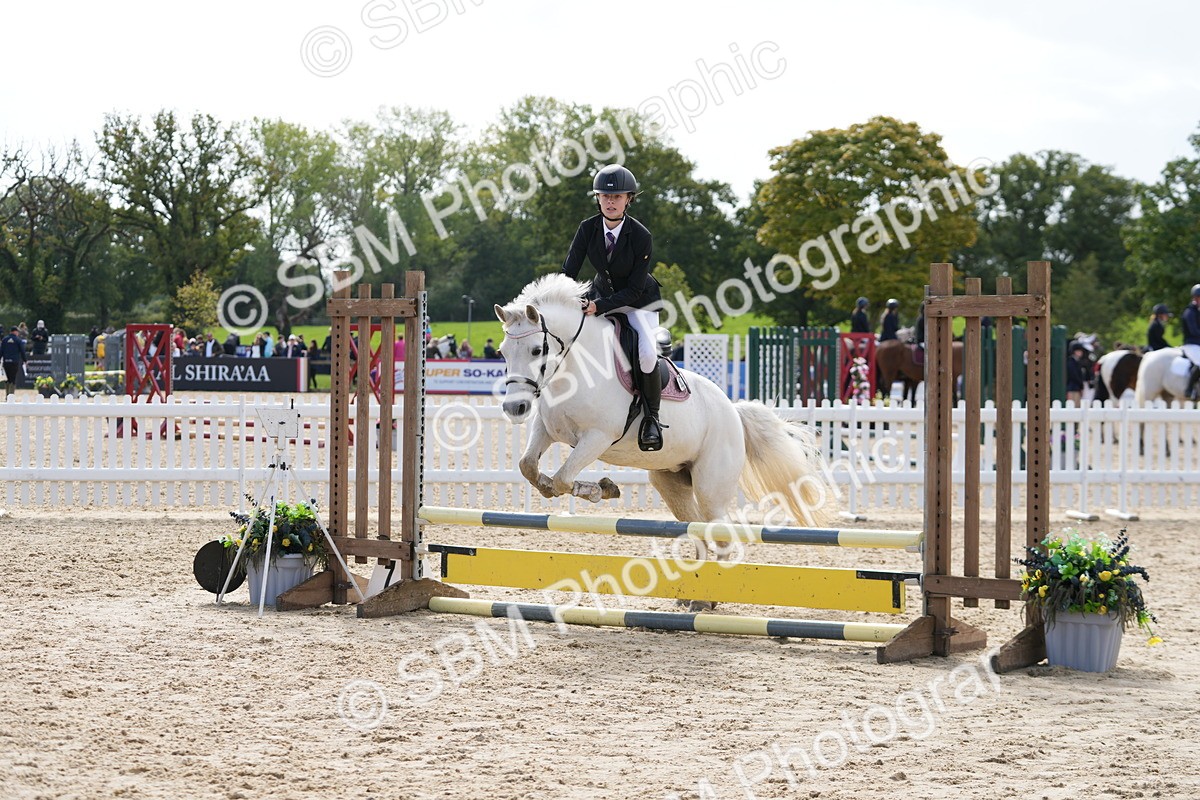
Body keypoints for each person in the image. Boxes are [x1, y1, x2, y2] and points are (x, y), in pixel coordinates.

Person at [562, 164, 664, 451]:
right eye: (605, 196)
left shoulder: (641, 236)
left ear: (628, 199)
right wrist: (563, 297)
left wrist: (597, 306)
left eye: (617, 197)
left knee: (645, 355)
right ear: (597, 198)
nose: (610, 201)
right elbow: (568, 270)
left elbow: (633, 289)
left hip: (639, 303)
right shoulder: (587, 228)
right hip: (601, 297)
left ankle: (652, 420)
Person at [1182, 285, 1200, 400]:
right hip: (1191, 344)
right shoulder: (1189, 312)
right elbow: (1194, 331)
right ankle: (1189, 389)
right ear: (1196, 298)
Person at [2, 325, 27, 397]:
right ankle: (11, 396)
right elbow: (22, 351)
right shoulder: (18, 340)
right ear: (15, 332)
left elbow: (1, 351)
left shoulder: (4, 340)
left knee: (7, 379)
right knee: (13, 379)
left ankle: (7, 395)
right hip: (14, 362)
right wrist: (25, 360)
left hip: (6, 362)